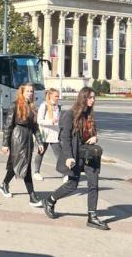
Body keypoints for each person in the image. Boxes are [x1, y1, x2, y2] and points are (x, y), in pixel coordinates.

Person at [43, 87, 109, 230]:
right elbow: (64, 138)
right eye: (90, 97)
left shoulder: (90, 115)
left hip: (89, 155)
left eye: (94, 98)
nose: (93, 100)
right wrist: (68, 156)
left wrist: (94, 137)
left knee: (93, 184)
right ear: (83, 98)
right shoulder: (70, 115)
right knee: (72, 185)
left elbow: (93, 133)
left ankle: (92, 217)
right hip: (75, 155)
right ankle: (50, 200)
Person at [0, 83, 44, 207]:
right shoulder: (15, 105)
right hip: (18, 137)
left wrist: (40, 142)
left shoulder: (32, 107)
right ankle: (32, 196)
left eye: (31, 91)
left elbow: (35, 127)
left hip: (28, 138)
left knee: (17, 164)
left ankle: (4, 184)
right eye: (28, 91)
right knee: (25, 166)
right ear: (22, 92)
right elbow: (8, 126)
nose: (30, 93)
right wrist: (5, 144)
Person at [33, 88, 62, 180]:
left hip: (55, 134)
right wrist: (51, 121)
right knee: (40, 153)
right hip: (44, 134)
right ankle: (36, 172)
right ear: (50, 96)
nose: (58, 98)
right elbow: (39, 120)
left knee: (59, 155)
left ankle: (65, 173)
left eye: (58, 96)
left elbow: (59, 120)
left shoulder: (58, 107)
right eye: (56, 96)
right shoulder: (44, 106)